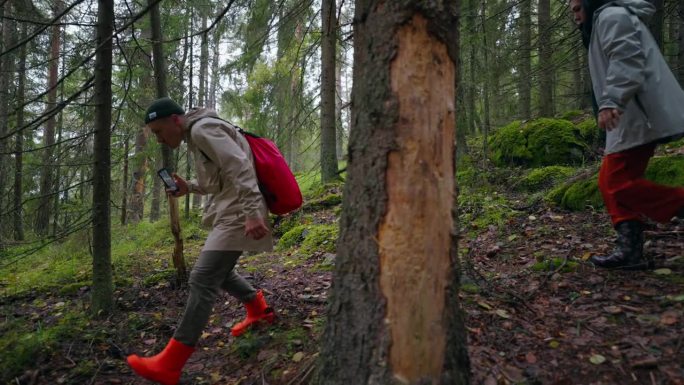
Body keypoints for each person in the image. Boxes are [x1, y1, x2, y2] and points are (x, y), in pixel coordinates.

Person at [126, 97, 276, 385]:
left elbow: (240, 166)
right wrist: (189, 187)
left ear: (176, 120)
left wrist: (254, 212)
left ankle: (170, 363)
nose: (158, 139)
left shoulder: (202, 130)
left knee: (204, 277)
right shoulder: (198, 133)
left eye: (158, 131)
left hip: (238, 211)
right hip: (229, 208)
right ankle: (259, 310)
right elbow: (215, 181)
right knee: (220, 271)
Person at [569, 0, 684, 269]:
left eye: (577, 9)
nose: (575, 17)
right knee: (609, 182)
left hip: (638, 115)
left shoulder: (612, 17)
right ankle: (630, 248)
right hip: (628, 117)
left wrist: (612, 101)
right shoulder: (603, 21)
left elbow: (627, 58)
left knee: (616, 182)